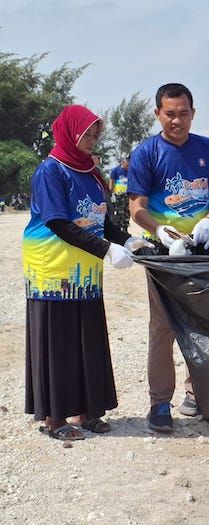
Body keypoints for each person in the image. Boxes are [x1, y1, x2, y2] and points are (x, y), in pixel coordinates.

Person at [22, 105, 150, 440]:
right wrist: (108, 250)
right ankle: (55, 418)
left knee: (87, 337)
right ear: (69, 132)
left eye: (95, 134)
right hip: (53, 270)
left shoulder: (92, 174)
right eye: (86, 133)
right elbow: (58, 222)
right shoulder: (51, 171)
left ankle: (88, 410)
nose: (92, 140)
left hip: (86, 270)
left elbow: (102, 221)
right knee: (58, 340)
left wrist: (128, 240)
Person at [128, 83, 209, 433]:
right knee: (163, 328)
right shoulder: (146, 153)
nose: (177, 120)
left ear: (193, 112)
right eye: (170, 113)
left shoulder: (207, 148)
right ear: (158, 113)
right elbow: (136, 207)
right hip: (164, 256)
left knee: (203, 324)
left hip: (201, 252)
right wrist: (159, 231)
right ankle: (160, 403)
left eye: (184, 113)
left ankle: (197, 393)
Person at [109, 155, 131, 234]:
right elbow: (111, 181)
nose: (128, 166)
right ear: (124, 162)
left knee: (127, 212)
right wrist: (110, 192)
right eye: (127, 164)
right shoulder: (116, 170)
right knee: (119, 212)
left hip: (128, 194)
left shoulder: (131, 171)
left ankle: (125, 229)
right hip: (119, 194)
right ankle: (119, 229)